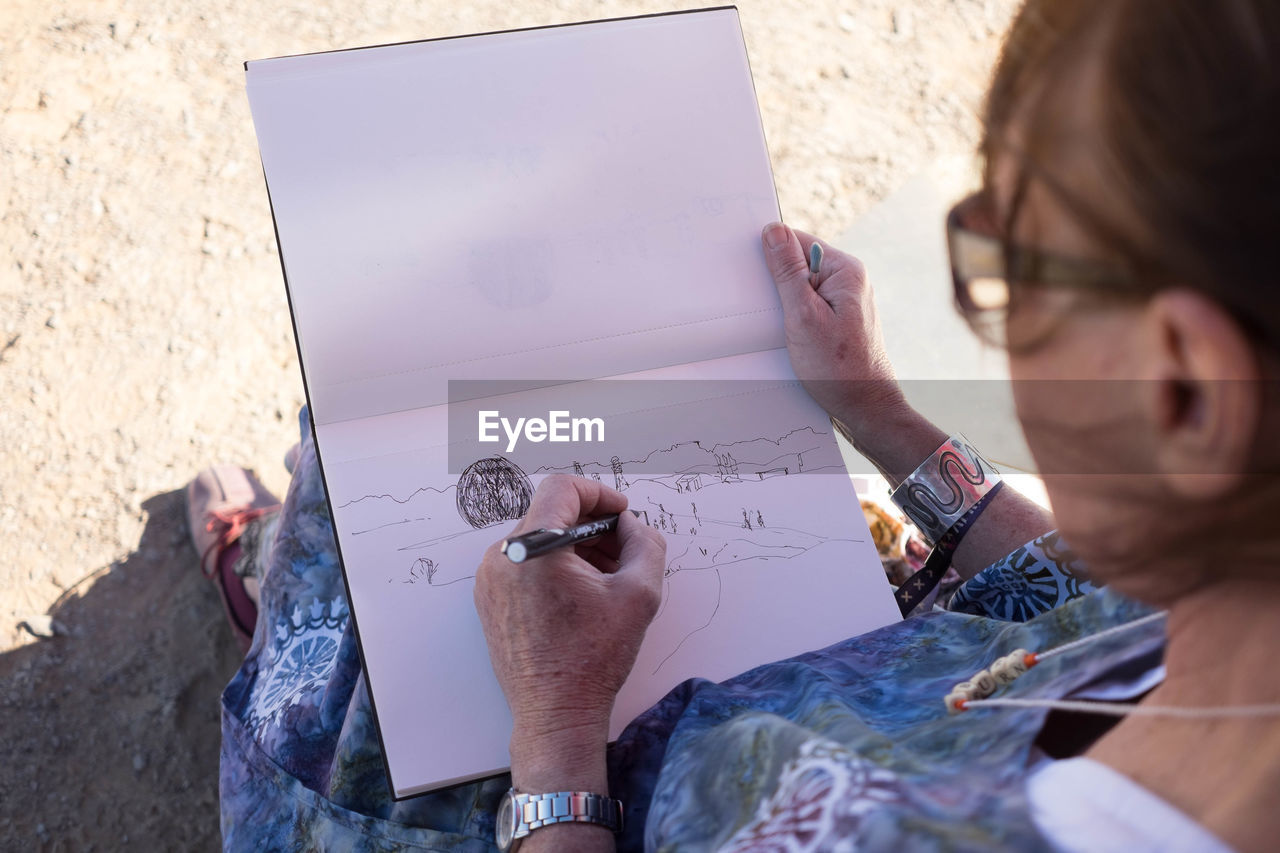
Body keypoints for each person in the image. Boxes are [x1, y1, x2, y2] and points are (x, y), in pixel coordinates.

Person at [194, 0, 1280, 849]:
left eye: (1007, 264)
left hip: (565, 785)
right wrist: (882, 419)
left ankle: (294, 633)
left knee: (365, 501)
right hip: (843, 667)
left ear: (1182, 387)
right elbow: (1102, 611)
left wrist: (558, 722)